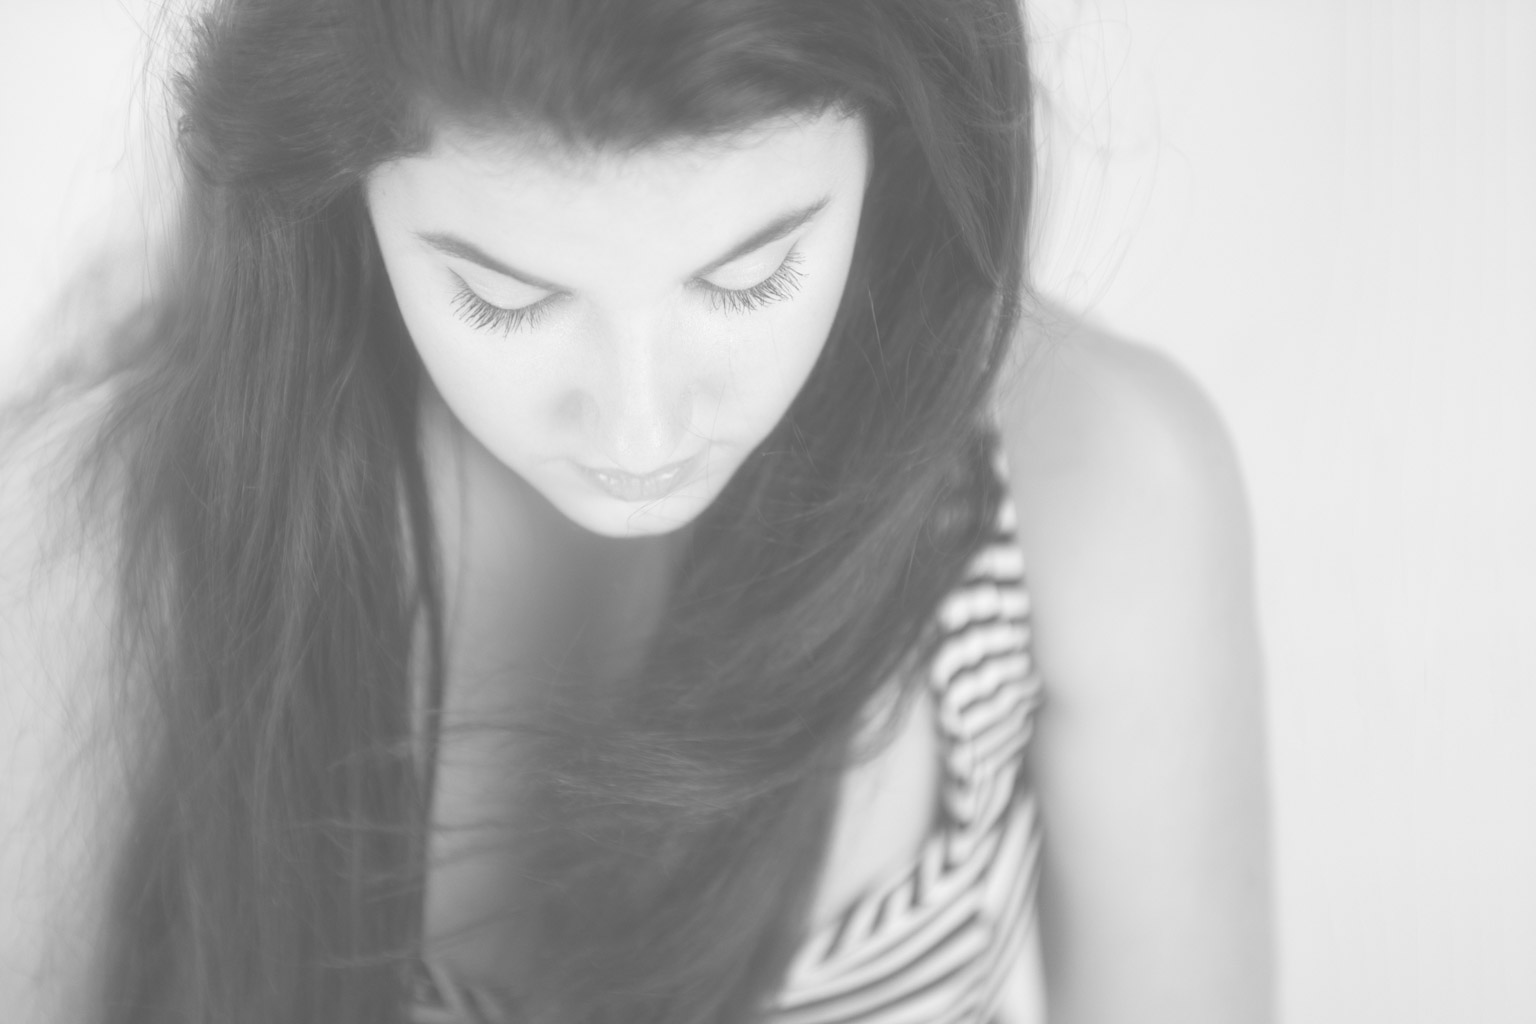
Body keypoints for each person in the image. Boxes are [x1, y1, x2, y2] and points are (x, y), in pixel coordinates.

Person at [0, 0, 1274, 1021]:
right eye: (505, 299)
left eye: (751, 277)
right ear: (341, 184)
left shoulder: (1098, 495)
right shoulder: (97, 556)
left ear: (899, 134)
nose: (641, 433)